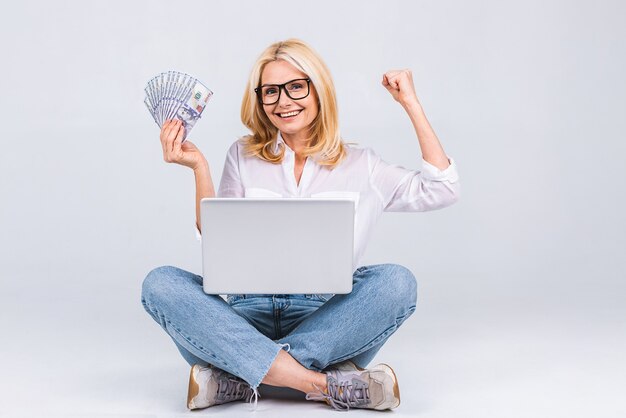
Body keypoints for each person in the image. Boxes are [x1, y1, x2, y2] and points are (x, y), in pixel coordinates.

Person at [141, 38, 460, 412]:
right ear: (259, 100)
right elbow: (216, 241)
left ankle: (240, 377)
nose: (283, 101)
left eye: (296, 86)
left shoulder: (363, 164)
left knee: (397, 282)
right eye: (270, 92)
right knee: (159, 283)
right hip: (244, 316)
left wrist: (411, 104)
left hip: (327, 321)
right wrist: (199, 168)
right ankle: (320, 384)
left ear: (318, 89)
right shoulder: (242, 155)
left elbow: (442, 189)